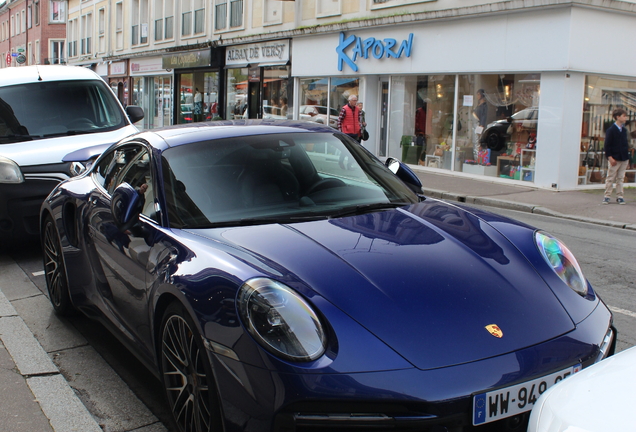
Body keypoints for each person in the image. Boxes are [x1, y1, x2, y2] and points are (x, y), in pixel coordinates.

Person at [602, 108, 630, 204]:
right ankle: (607, 196)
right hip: (614, 157)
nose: (625, 118)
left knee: (620, 178)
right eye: (624, 116)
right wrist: (609, 157)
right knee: (611, 177)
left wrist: (627, 157)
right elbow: (607, 145)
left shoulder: (624, 130)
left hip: (623, 157)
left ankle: (620, 196)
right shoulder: (611, 130)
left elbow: (625, 143)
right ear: (618, 117)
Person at [337, 94, 362, 169]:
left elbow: (359, 119)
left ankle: (349, 164)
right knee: (346, 149)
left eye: (356, 100)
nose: (355, 102)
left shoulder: (357, 109)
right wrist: (340, 131)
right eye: (354, 100)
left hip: (355, 132)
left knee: (354, 150)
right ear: (349, 101)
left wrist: (360, 127)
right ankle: (341, 161)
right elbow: (339, 120)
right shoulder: (344, 109)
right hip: (347, 132)